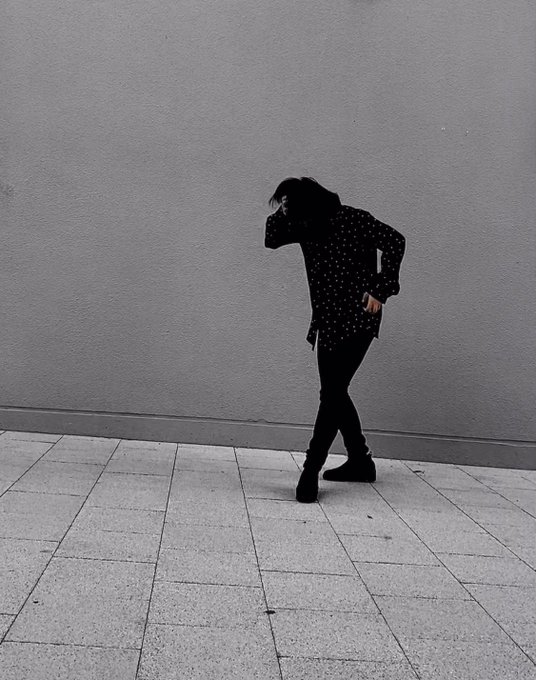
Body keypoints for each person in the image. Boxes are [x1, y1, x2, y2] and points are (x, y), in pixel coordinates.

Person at [264, 177, 406, 503]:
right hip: (327, 322)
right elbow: (271, 238)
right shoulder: (304, 224)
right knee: (334, 392)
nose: (287, 212)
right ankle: (360, 460)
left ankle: (310, 470)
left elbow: (395, 241)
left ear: (308, 205)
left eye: (290, 205)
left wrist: (381, 289)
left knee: (332, 393)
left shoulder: (354, 219)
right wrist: (283, 210)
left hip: (359, 318)